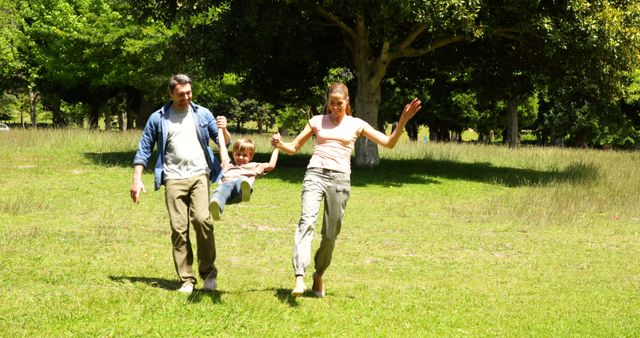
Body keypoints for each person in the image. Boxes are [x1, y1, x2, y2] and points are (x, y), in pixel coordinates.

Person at [271, 82, 422, 298]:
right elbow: (293, 148)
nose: (334, 107)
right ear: (327, 102)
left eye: (339, 103)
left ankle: (319, 274)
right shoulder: (316, 121)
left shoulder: (356, 124)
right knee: (306, 222)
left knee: (330, 235)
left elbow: (388, 143)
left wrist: (403, 120)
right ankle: (299, 276)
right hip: (315, 174)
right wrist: (279, 144)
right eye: (331, 103)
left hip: (340, 180)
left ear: (347, 102)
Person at [130, 74, 231, 294]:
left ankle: (209, 273)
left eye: (189, 93)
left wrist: (223, 129)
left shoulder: (202, 113)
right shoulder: (158, 118)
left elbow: (224, 142)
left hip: (199, 174)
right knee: (178, 229)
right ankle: (187, 279)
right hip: (173, 177)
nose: (186, 97)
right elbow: (144, 149)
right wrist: (137, 178)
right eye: (181, 94)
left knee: (202, 219)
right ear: (171, 93)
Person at [209, 128, 279, 220]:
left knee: (241, 180)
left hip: (240, 193)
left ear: (251, 156)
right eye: (238, 154)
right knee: (220, 190)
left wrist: (277, 147)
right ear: (233, 154)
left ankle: (244, 189)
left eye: (245, 155)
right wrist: (221, 128)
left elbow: (271, 165)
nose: (241, 157)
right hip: (227, 192)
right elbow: (222, 146)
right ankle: (216, 206)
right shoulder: (227, 163)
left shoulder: (255, 166)